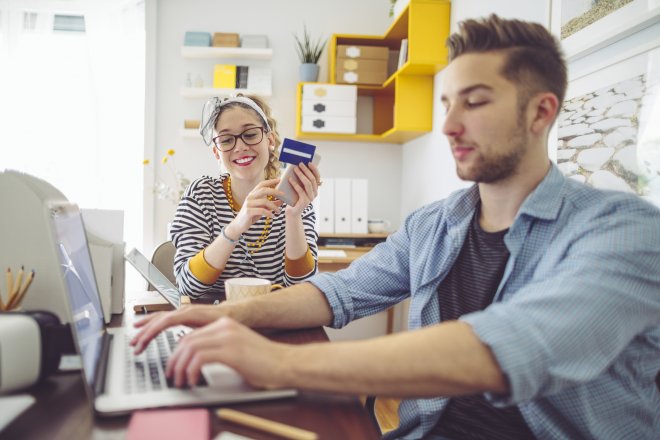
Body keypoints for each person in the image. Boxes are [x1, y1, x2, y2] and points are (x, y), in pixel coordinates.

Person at [132, 15, 660, 439]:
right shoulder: (434, 226)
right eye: (446, 103)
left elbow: (513, 344)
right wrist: (226, 317)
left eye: (474, 102)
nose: (449, 125)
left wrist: (274, 362)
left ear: (541, 112)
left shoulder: (625, 232)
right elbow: (338, 292)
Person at [170, 94, 321, 300]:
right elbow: (188, 286)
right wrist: (238, 224)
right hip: (214, 320)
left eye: (249, 134)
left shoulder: (295, 197)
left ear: (270, 140)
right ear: (217, 152)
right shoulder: (201, 195)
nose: (240, 147)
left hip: (274, 319)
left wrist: (293, 216)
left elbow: (302, 290)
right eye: (226, 140)